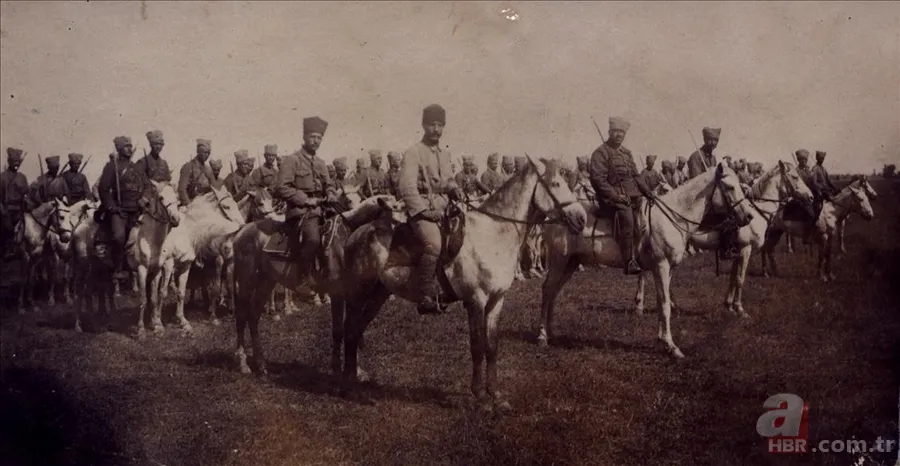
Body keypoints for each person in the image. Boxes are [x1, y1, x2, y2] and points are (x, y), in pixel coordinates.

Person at [397, 103, 463, 315]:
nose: (436, 130)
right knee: (434, 243)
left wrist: (454, 189)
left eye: (440, 125)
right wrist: (424, 212)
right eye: (432, 125)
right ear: (424, 126)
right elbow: (406, 187)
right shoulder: (413, 152)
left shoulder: (444, 155)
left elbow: (448, 180)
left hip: (443, 207)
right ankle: (424, 296)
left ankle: (448, 289)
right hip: (422, 210)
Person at [273, 116, 337, 284]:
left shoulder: (321, 163)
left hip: (322, 209)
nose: (316, 141)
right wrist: (306, 200)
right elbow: (282, 187)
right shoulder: (292, 160)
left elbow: (329, 184)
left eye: (319, 138)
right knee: (313, 239)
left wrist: (330, 193)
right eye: (313, 136)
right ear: (304, 137)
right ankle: (302, 277)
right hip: (300, 211)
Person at [588, 116, 653, 275]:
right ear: (609, 132)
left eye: (622, 133)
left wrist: (648, 192)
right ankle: (629, 261)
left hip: (633, 196)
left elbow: (636, 176)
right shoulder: (600, 153)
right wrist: (616, 196)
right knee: (628, 217)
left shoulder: (626, 153)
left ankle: (644, 253)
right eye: (616, 132)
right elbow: (598, 180)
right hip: (611, 199)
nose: (619, 135)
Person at [97, 136, 149, 277]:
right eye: (126, 146)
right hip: (119, 210)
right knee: (119, 237)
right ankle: (117, 268)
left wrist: (144, 198)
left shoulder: (137, 167)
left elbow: (147, 186)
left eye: (130, 146)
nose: (129, 149)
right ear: (119, 149)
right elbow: (103, 189)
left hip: (137, 211)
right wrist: (112, 207)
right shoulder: (111, 167)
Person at [1, 147, 29, 259]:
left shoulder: (22, 177)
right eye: (14, 161)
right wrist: (2, 210)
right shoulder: (2, 177)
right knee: (7, 228)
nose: (16, 164)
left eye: (18, 161)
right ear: (9, 162)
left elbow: (26, 193)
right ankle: (6, 250)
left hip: (20, 209)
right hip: (6, 209)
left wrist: (27, 200)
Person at [177, 139, 214, 207]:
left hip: (207, 204)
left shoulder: (208, 170)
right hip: (191, 203)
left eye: (208, 153)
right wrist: (189, 205)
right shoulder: (188, 167)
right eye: (204, 152)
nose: (206, 155)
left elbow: (213, 188)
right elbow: (182, 189)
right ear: (198, 152)